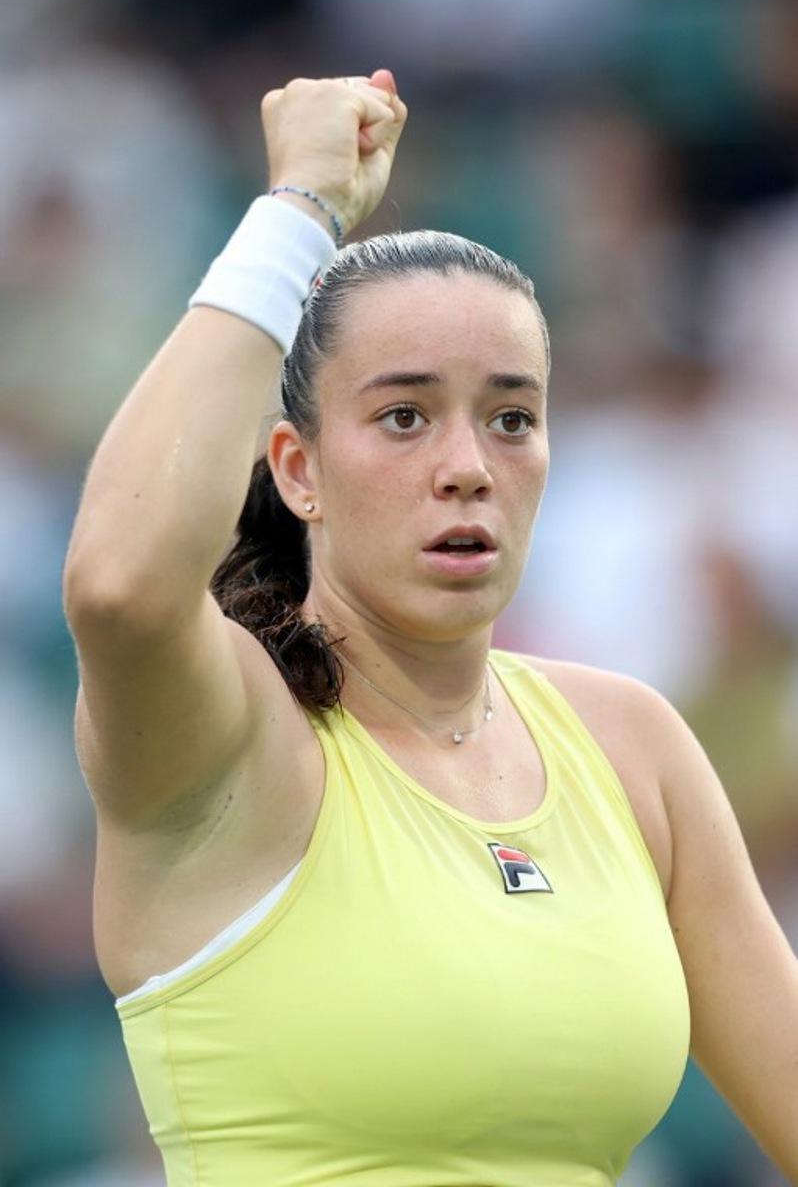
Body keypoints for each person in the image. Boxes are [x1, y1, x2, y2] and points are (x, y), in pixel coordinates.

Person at [62, 70, 798, 1186]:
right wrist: (298, 206)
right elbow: (120, 583)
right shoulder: (229, 739)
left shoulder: (633, 746)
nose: (467, 468)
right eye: (403, 417)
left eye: (512, 418)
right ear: (298, 470)